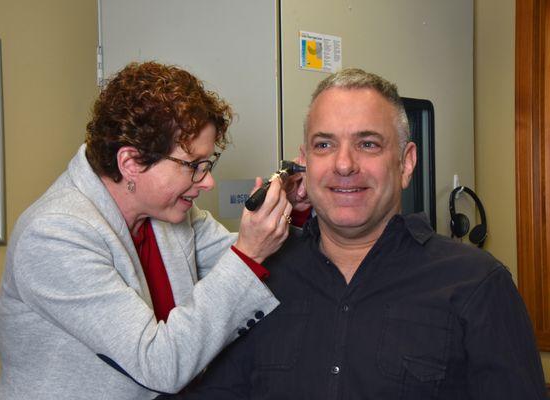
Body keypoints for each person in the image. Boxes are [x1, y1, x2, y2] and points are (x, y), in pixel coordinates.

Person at [159, 68, 548, 399]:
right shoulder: (261, 280)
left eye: (367, 144)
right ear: (305, 162)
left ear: (406, 163)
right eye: (325, 145)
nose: (344, 164)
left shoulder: (477, 285)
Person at [0, 61, 294, 400]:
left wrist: (294, 212)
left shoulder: (167, 213)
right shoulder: (54, 235)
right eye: (193, 165)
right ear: (131, 163)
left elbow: (253, 267)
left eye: (207, 165)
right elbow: (159, 364)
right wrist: (249, 252)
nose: (207, 181)